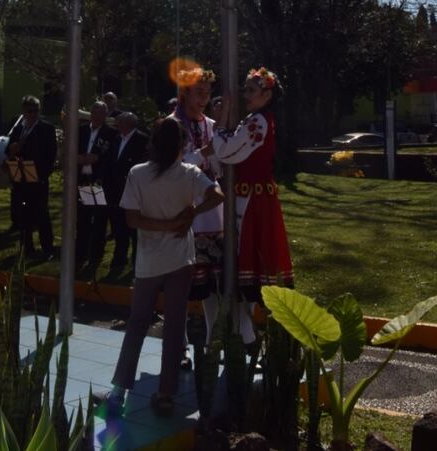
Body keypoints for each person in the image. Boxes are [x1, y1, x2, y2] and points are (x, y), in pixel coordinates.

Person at [103, 118, 223, 419]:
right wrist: (189, 214)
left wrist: (166, 224)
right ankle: (166, 393)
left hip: (149, 262)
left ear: (153, 143)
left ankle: (120, 388)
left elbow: (132, 220)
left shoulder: (138, 174)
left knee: (137, 323)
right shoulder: (190, 173)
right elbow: (217, 195)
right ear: (182, 145)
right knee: (174, 326)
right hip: (181, 261)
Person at [213, 67, 294, 342]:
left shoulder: (257, 122)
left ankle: (246, 336)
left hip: (252, 200)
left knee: (247, 257)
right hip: (251, 196)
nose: (245, 94)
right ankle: (245, 333)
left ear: (267, 93)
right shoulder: (256, 119)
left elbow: (226, 151)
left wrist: (221, 122)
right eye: (245, 89)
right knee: (244, 261)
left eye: (251, 90)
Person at [172, 67, 223, 342]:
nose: (204, 98)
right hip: (184, 207)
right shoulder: (172, 125)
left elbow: (219, 166)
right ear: (185, 92)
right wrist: (205, 153)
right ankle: (179, 345)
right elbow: (175, 166)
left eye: (208, 92)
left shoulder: (211, 126)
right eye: (199, 92)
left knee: (213, 283)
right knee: (180, 281)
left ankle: (211, 340)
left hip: (213, 211)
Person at [6, 96, 57, 260]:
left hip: (38, 178)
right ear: (24, 112)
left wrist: (43, 175)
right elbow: (9, 151)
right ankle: (27, 247)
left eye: (36, 110)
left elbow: (51, 154)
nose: (33, 114)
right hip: (21, 178)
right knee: (24, 215)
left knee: (42, 214)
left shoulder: (46, 128)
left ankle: (47, 248)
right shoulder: (18, 129)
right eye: (30, 111)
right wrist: (12, 150)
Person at [75, 100, 118, 276]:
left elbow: (111, 156)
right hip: (82, 178)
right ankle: (80, 252)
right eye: (95, 111)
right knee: (83, 218)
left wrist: (97, 158)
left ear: (106, 115)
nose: (98, 115)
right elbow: (72, 149)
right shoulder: (82, 130)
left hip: (98, 180)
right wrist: (78, 158)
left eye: (102, 112)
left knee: (99, 219)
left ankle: (96, 253)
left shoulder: (111, 133)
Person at [104, 111, 149, 274]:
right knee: (118, 227)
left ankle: (137, 262)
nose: (117, 124)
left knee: (134, 229)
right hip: (115, 191)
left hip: (132, 191)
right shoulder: (116, 139)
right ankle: (119, 258)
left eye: (120, 121)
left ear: (129, 123)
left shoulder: (142, 140)